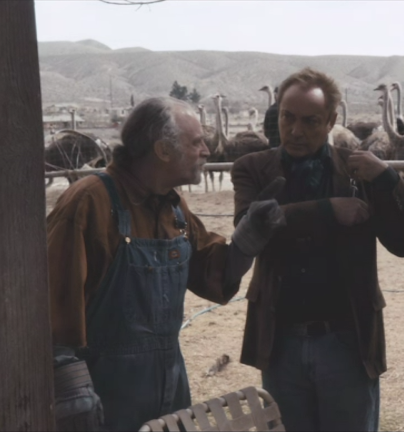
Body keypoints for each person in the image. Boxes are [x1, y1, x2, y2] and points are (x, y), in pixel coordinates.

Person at [47, 96, 284, 431]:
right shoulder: (90, 202)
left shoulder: (173, 208)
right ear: (163, 150)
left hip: (170, 388)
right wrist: (71, 391)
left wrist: (250, 235)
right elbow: (52, 302)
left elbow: (214, 274)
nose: (207, 151)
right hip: (104, 396)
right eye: (196, 142)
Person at [231, 67, 404, 431]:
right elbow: (249, 226)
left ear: (331, 121)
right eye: (288, 117)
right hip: (280, 342)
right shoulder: (252, 169)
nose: (295, 130)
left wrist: (388, 179)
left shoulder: (357, 171)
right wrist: (327, 210)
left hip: (347, 340)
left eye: (310, 121)